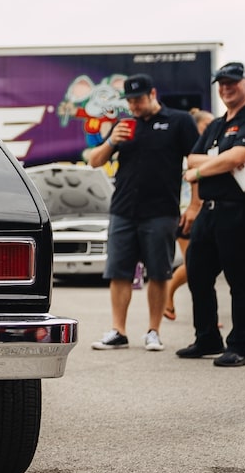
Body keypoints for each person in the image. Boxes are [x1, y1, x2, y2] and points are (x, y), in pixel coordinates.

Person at [85, 74, 200, 351]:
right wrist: (112, 140)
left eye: (138, 99)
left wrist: (195, 204)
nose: (134, 105)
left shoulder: (179, 121)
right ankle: (118, 332)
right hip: (123, 210)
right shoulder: (124, 124)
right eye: (130, 101)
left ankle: (153, 331)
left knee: (159, 273)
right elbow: (94, 161)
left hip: (161, 211)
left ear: (153, 94)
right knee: (119, 272)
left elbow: (196, 162)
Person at [177, 62, 245, 366]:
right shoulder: (218, 124)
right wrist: (219, 162)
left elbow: (240, 155)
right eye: (221, 83)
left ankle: (243, 345)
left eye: (232, 82)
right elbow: (192, 155)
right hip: (208, 211)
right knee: (198, 274)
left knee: (241, 279)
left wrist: (200, 171)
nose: (225, 88)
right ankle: (207, 338)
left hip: (238, 210)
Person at [164, 108, 215, 320]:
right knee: (194, 265)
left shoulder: (204, 150)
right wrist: (194, 206)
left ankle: (206, 314)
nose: (211, 130)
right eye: (207, 126)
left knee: (199, 265)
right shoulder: (191, 153)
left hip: (203, 212)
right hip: (187, 214)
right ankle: (168, 296)